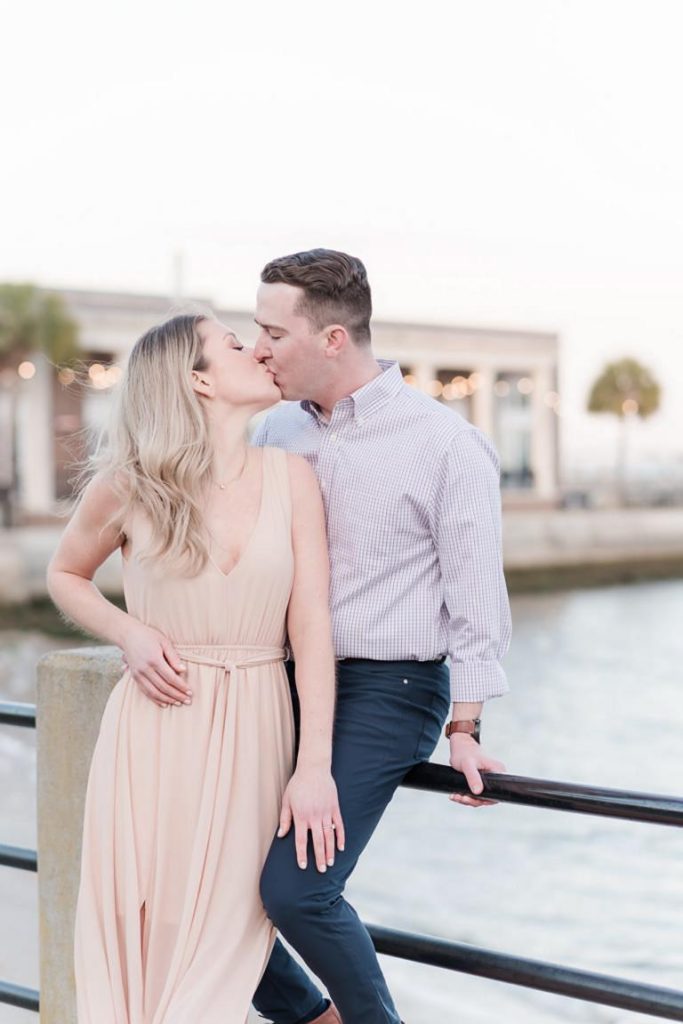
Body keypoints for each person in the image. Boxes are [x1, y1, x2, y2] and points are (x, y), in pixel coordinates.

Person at [46, 313, 343, 1024]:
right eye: (235, 345)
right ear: (199, 380)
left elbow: (311, 631)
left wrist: (313, 767)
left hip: (259, 733)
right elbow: (65, 574)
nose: (257, 352)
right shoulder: (129, 484)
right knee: (155, 927)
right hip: (156, 730)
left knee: (230, 935)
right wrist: (129, 633)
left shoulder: (292, 478)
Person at [250, 249, 512, 1024]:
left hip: (389, 688)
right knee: (199, 875)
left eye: (273, 333)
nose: (258, 349)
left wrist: (464, 728)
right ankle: (313, 1016)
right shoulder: (270, 431)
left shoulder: (444, 443)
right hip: (279, 677)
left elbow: (475, 599)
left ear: (332, 338)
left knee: (297, 891)